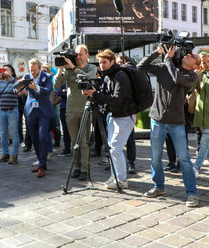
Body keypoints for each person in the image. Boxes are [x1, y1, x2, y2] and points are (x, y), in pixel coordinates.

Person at [137, 46, 201, 207]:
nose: (188, 55)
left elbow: (177, 78)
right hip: (157, 119)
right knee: (155, 158)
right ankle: (158, 187)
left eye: (192, 56)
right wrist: (157, 52)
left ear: (195, 65)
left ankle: (192, 193)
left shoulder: (192, 76)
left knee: (184, 158)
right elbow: (141, 66)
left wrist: (167, 59)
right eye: (187, 53)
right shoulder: (165, 67)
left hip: (176, 122)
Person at [83, 49, 136, 189]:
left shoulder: (120, 76)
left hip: (125, 116)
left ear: (112, 61)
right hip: (113, 116)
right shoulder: (108, 77)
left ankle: (122, 180)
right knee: (112, 148)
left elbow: (116, 99)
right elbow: (104, 95)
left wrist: (95, 95)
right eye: (100, 63)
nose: (102, 65)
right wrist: (93, 92)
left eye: (105, 62)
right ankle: (115, 176)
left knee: (116, 149)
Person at [53, 45, 97, 180]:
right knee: (74, 141)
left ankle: (85, 169)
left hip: (85, 107)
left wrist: (73, 68)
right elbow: (56, 85)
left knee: (84, 141)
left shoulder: (91, 68)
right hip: (71, 109)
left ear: (87, 55)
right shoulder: (68, 69)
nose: (77, 57)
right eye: (76, 55)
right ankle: (77, 167)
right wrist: (61, 69)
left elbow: (89, 79)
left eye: (80, 54)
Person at [20, 58, 55, 178]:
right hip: (31, 110)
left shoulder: (47, 76)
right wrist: (18, 86)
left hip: (44, 111)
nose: (33, 72)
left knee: (43, 137)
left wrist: (36, 87)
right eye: (31, 70)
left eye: (35, 70)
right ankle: (40, 163)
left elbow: (48, 91)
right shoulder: (27, 76)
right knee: (34, 139)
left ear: (40, 68)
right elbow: (20, 89)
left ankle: (43, 165)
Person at [0, 65, 20, 164]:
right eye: (4, 70)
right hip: (2, 111)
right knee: (3, 134)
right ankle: (5, 154)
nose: (5, 71)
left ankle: (14, 155)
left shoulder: (14, 82)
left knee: (14, 134)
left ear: (12, 72)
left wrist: (10, 77)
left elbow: (18, 88)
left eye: (7, 70)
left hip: (12, 111)